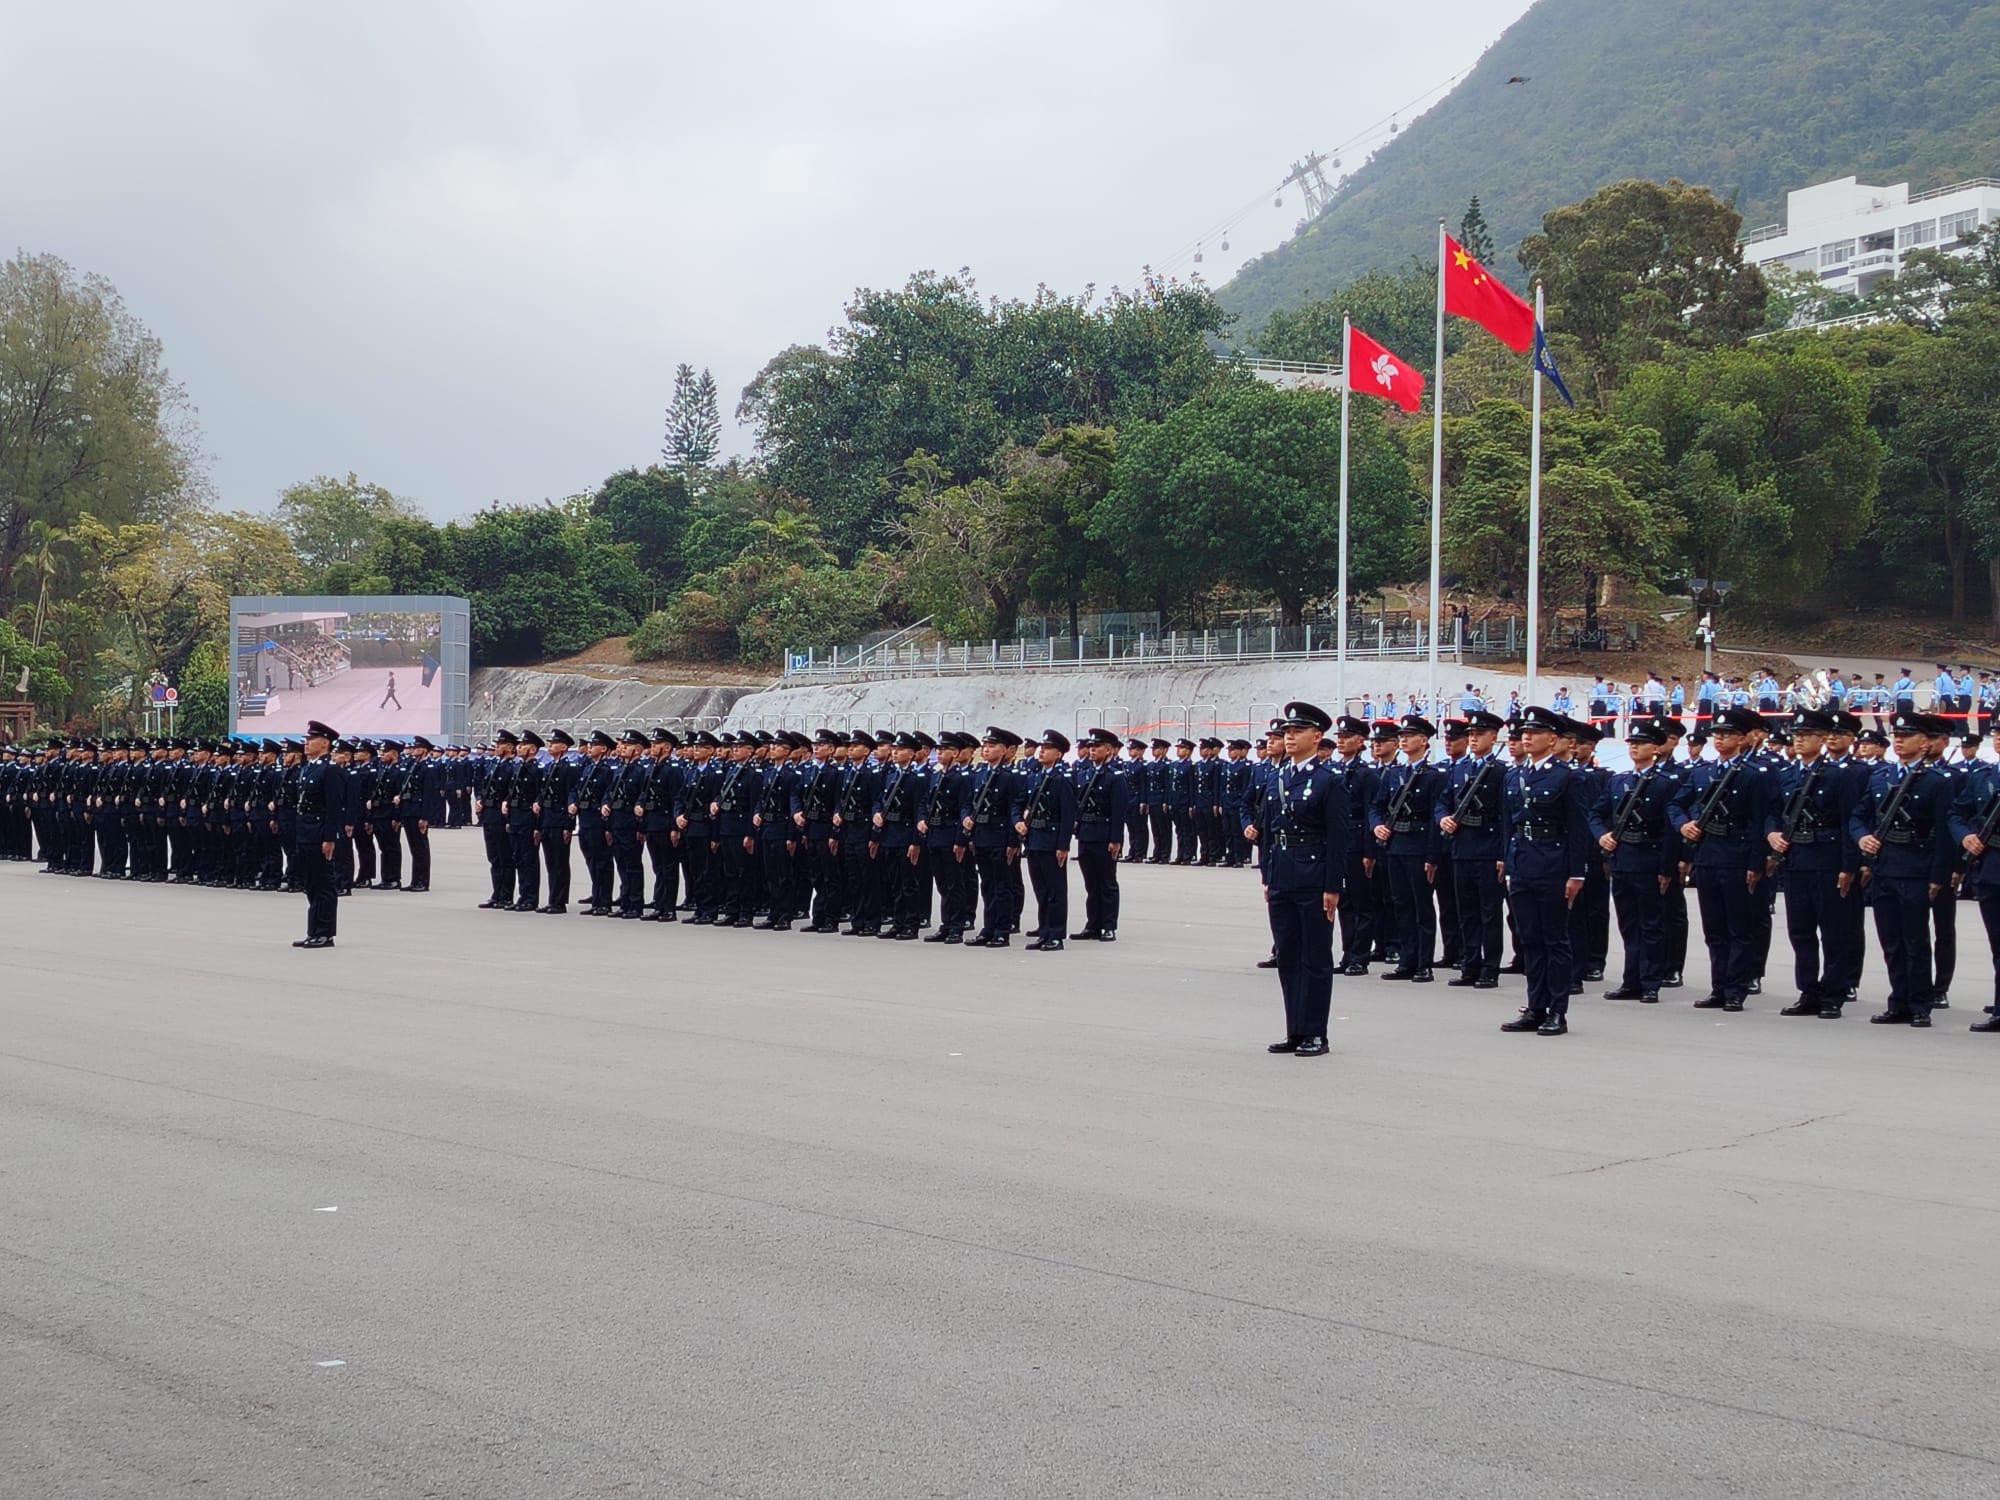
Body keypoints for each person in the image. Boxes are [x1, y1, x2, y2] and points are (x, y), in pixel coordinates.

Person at [1246, 701, 1348, 1058]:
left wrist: (1333, 886)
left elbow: (1338, 837)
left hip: (1315, 876)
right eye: (1286, 733)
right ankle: (1295, 1029)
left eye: (1297, 732)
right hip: (1283, 877)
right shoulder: (1277, 776)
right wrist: (1268, 875)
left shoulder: (1328, 780)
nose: (1288, 738)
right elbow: (1270, 830)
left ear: (1317, 737)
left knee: (1315, 958)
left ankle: (1316, 1032)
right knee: (1288, 955)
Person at [1851, 712, 1957, 1027]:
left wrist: (1938, 876)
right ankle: (1898, 1000)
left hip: (1916, 868)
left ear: (1924, 743)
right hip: (1884, 868)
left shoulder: (1937, 781)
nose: (1898, 740)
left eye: (1906, 736)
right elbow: (1858, 816)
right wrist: (1862, 838)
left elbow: (1943, 833)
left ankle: (1920, 1003)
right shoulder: (1881, 776)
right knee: (1891, 940)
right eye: (1896, 735)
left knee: (1916, 940)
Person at [1669, 706, 1777, 1013]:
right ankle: (1719, 986)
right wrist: (1683, 823)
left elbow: (1761, 820)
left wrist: (1756, 864)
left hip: (1738, 855)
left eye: (1728, 734)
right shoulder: (1703, 772)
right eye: (1717, 733)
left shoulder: (1755, 775)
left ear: (1743, 739)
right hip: (1707, 855)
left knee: (1738, 928)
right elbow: (1677, 804)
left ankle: (1736, 988)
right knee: (1714, 927)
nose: (1720, 739)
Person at [1500, 707, 1594, 1035]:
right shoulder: (1514, 775)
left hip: (1553, 863)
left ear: (1552, 738)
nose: (1527, 737)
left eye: (1535, 732)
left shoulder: (1568, 776)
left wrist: (1577, 874)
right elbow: (1507, 825)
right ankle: (1535, 1006)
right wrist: (1508, 865)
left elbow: (1578, 829)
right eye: (1524, 732)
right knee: (1530, 939)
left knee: (1555, 939)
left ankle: (1557, 1009)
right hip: (1522, 862)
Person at [1768, 709, 1860, 1019]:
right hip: (1796, 860)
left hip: (1827, 859)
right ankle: (1808, 990)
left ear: (1822, 739)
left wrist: (1848, 866)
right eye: (1797, 734)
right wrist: (1772, 834)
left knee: (1833, 931)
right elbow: (1772, 812)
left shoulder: (1838, 774)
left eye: (1806, 735)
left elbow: (1849, 821)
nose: (1799, 739)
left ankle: (1833, 992)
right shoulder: (1787, 774)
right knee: (1801, 930)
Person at [1592, 719, 1679, 1004]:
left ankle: (1651, 981)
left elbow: (1669, 831)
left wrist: (1666, 868)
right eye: (1632, 744)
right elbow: (1596, 814)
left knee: (1651, 924)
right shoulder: (1619, 780)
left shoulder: (1666, 784)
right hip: (1623, 859)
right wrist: (1602, 836)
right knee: (1629, 923)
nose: (1634, 748)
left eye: (1640, 744)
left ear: (1655, 748)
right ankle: (1631, 980)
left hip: (1649, 859)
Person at [1437, 710, 1507, 988]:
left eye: (1480, 735)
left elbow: (1505, 816)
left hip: (1488, 849)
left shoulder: (1500, 772)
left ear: (1493, 737)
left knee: (1489, 912)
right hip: (1462, 848)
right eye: (1471, 735)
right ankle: (1470, 964)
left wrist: (1502, 855)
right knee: (1465, 910)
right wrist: (1442, 817)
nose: (1474, 739)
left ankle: (1490, 967)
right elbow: (1443, 802)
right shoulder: (1460, 768)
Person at [1016, 730, 1078, 950]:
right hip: (1033, 840)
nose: (1042, 751)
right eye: (1041, 747)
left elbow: (1068, 815)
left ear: (1059, 754)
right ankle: (1044, 931)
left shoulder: (1062, 780)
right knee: (1041, 890)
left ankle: (1056, 934)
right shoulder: (1034, 776)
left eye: (1047, 748)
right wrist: (1018, 821)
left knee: (1055, 890)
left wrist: (1063, 845)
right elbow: (1019, 802)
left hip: (1052, 841)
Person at [1070, 728, 1130, 941]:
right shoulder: (1084, 772)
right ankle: (1092, 924)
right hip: (1086, 834)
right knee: (1091, 884)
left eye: (1097, 747)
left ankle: (1108, 925)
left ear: (1109, 750)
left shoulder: (1115, 776)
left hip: (1104, 835)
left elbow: (1118, 810)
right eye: (1091, 747)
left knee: (1107, 883)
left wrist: (1116, 840)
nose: (1092, 750)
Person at [291, 721, 346, 950]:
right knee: (311, 883)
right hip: (305, 832)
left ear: (324, 743)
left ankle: (325, 933)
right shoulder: (308, 767)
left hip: (320, 834)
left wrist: (330, 838)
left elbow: (334, 807)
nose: (306, 743)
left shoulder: (330, 769)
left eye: (311, 739)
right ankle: (313, 930)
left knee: (324, 884)